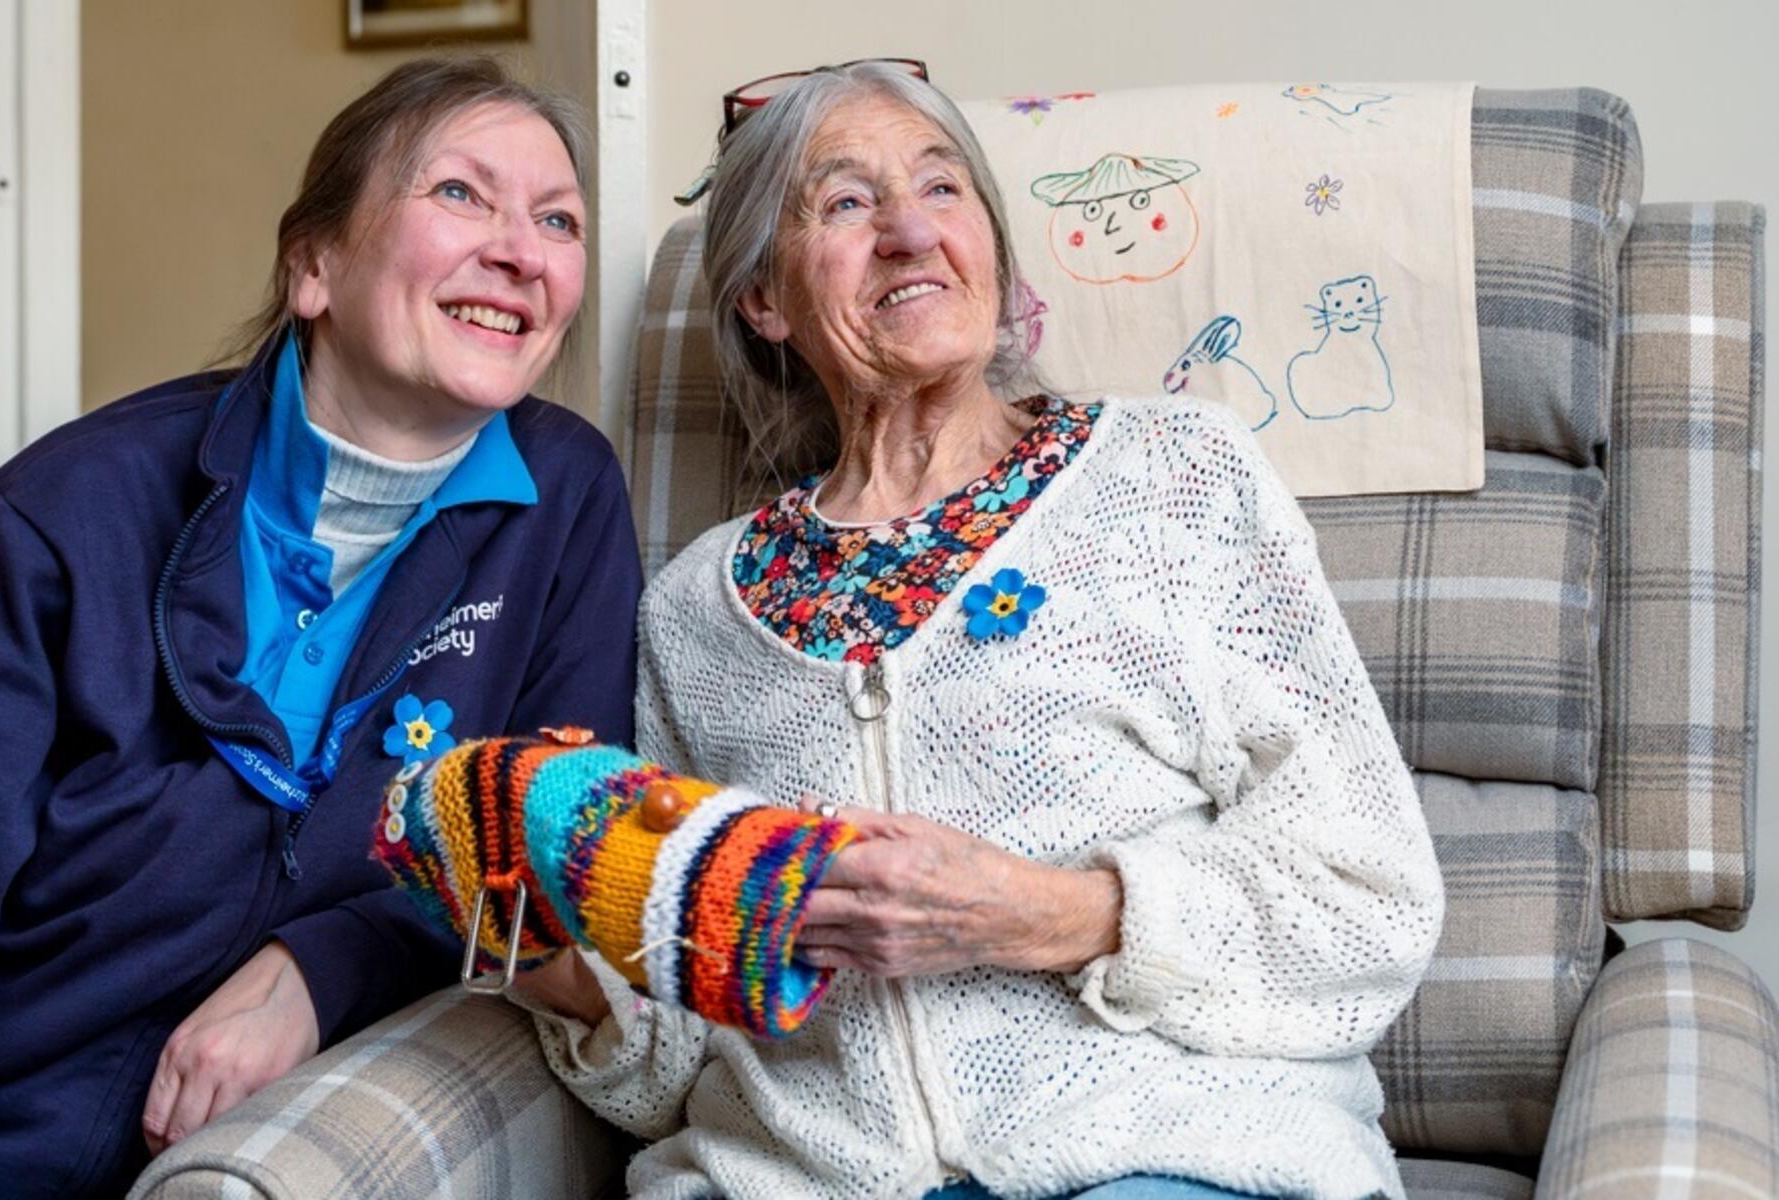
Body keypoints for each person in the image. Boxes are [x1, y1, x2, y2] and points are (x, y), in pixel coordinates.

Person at [0, 56, 639, 1199]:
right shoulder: (66, 513)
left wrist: (318, 965)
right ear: (313, 263)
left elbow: (545, 853)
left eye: (558, 220)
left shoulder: (563, 503)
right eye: (460, 194)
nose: (520, 249)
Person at [509, 61, 1444, 1200]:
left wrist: (1047, 914)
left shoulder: (1175, 479)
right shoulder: (695, 612)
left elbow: (1371, 897)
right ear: (764, 297)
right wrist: (557, 962)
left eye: (943, 190)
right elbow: (676, 1058)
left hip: (1174, 1153)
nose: (910, 231)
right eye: (847, 204)